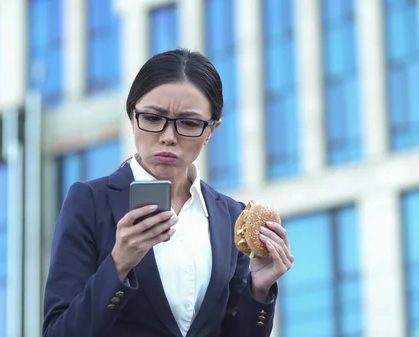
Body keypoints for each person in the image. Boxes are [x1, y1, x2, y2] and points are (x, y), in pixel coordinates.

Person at [42, 48, 295, 337]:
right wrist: (118, 266)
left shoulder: (230, 216)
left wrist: (259, 290)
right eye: (152, 118)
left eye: (188, 123)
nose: (168, 137)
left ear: (211, 130)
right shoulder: (90, 202)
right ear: (132, 116)